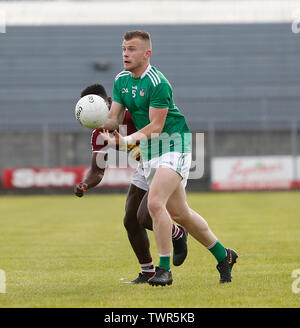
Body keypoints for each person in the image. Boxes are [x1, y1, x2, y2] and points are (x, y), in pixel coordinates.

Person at [100, 30, 238, 286]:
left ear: (146, 53)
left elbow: (155, 127)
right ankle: (224, 255)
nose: (125, 54)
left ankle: (163, 271)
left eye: (131, 49)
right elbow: (114, 118)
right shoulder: (120, 80)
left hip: (174, 144)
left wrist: (125, 140)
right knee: (181, 213)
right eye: (123, 49)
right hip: (150, 152)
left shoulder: (158, 82)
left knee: (154, 204)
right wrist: (98, 120)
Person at [74, 83, 188, 284]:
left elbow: (158, 125)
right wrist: (85, 184)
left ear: (110, 102)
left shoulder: (130, 115)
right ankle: (149, 273)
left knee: (145, 216)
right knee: (130, 220)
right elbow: (98, 170)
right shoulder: (99, 132)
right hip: (145, 164)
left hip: (164, 158)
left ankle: (178, 233)